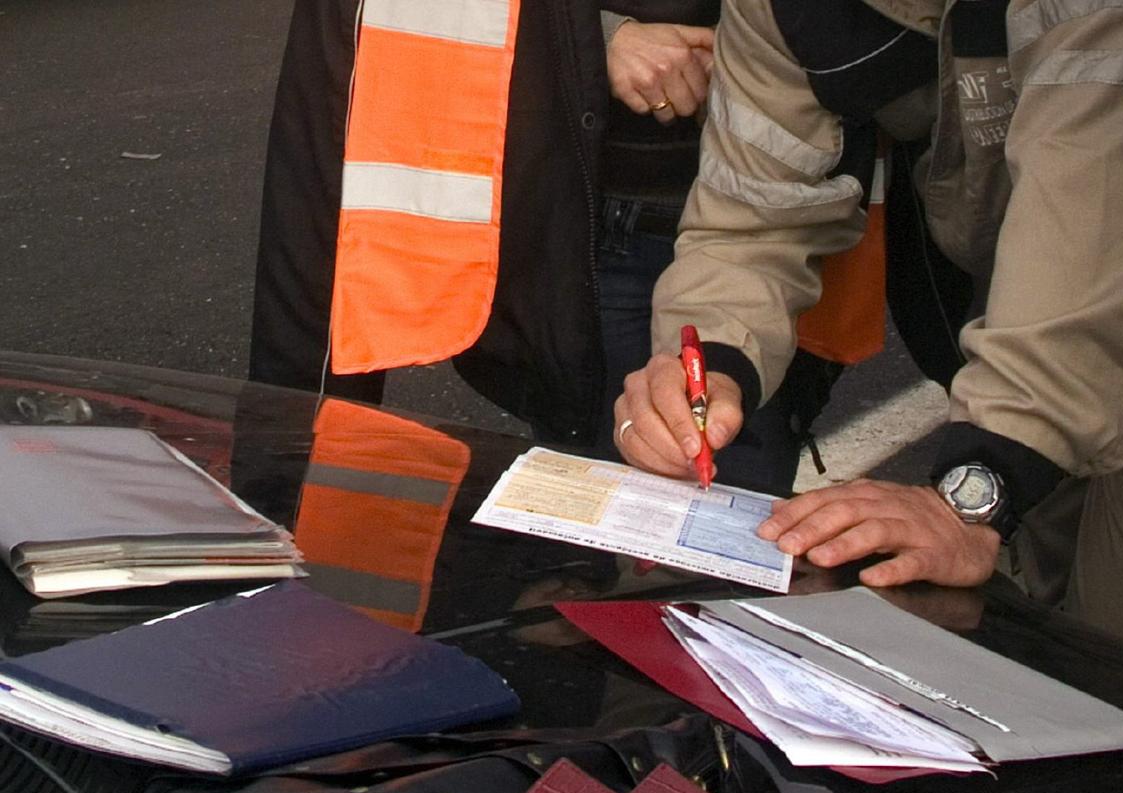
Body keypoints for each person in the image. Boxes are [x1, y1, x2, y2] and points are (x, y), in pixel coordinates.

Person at [614, 0, 1123, 655]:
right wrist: (708, 360)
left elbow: (1096, 209)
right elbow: (750, 220)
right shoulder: (777, 11)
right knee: (1024, 628)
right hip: (1021, 311)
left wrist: (977, 489)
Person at [248, 0, 841, 497]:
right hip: (599, 216)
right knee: (614, 548)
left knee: (724, 552)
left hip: (785, 201)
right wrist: (594, 41)